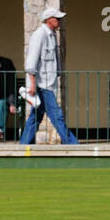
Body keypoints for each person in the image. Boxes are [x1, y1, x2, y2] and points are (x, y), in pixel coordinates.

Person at [19, 8, 79, 145]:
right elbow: (31, 62)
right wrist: (32, 84)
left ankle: (24, 144)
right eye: (57, 18)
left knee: (35, 117)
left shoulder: (51, 35)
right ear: (49, 19)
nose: (59, 21)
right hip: (41, 84)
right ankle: (72, 143)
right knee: (57, 116)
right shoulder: (40, 35)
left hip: (48, 84)